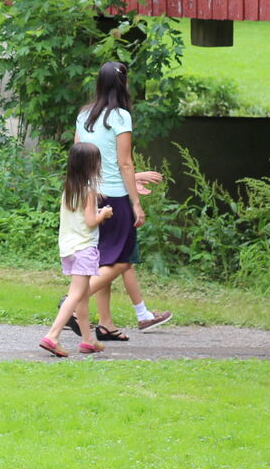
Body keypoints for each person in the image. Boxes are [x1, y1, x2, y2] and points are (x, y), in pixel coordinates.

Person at [70, 60, 172, 341]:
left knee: (103, 259)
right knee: (123, 258)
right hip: (115, 195)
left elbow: (80, 155)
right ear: (123, 84)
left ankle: (105, 323)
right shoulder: (120, 117)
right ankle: (70, 304)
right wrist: (135, 201)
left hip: (89, 192)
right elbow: (124, 162)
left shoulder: (84, 115)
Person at [39, 142, 114, 357]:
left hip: (69, 249)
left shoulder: (69, 189)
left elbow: (79, 218)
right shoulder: (89, 192)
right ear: (92, 166)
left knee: (82, 296)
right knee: (75, 295)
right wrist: (104, 214)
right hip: (84, 249)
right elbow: (90, 221)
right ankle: (52, 336)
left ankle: (88, 340)